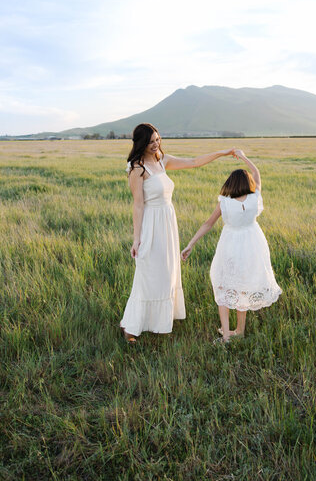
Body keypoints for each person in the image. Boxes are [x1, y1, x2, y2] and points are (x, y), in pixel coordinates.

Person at [120, 122, 237, 342]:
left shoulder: (162, 160)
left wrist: (222, 152)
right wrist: (137, 239)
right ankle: (130, 327)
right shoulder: (137, 168)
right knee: (148, 274)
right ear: (141, 144)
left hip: (167, 223)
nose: (156, 144)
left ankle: (158, 320)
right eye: (151, 141)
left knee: (166, 273)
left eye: (157, 139)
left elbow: (194, 162)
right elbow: (138, 205)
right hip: (151, 225)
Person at [181, 149, 282, 343]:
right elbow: (257, 173)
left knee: (223, 285)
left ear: (230, 184)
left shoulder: (225, 203)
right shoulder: (254, 197)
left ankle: (227, 335)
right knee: (242, 286)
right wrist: (243, 156)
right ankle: (240, 330)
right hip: (253, 245)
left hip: (231, 246)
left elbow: (207, 224)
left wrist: (190, 244)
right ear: (248, 183)